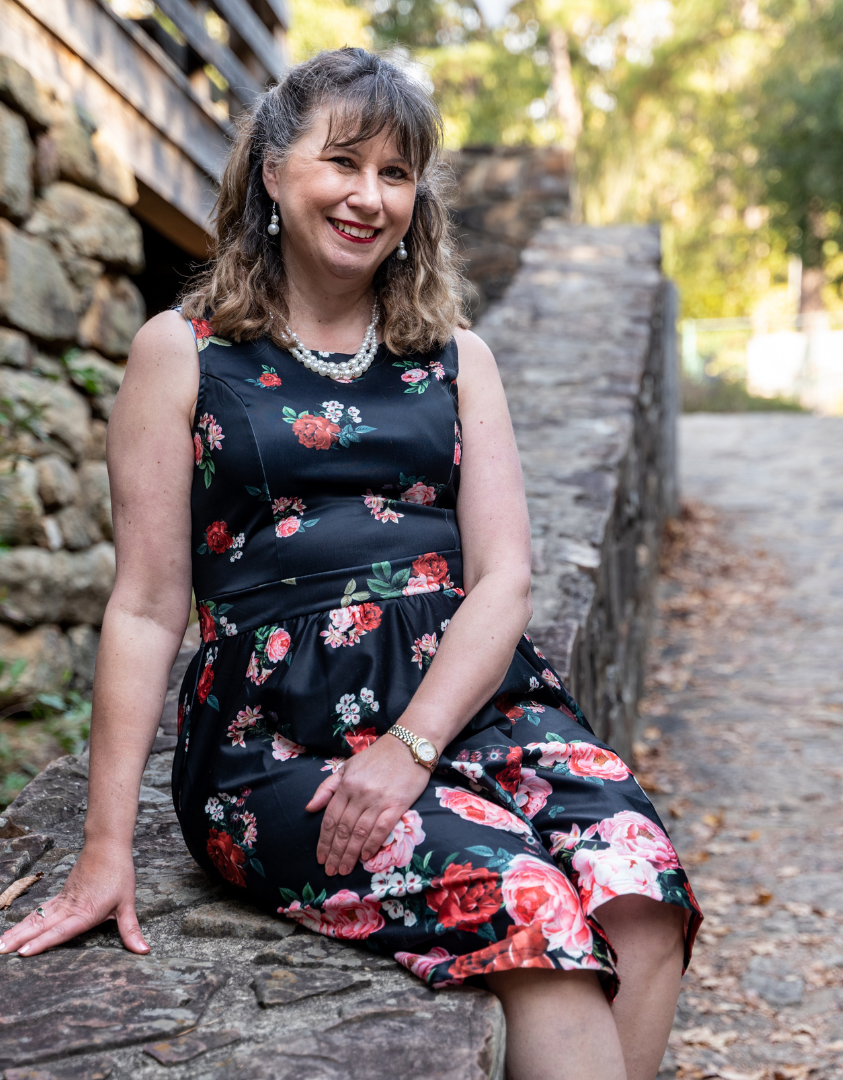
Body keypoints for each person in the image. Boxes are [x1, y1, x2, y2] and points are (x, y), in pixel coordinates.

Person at [0, 48, 700, 1080]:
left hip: (466, 701)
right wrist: (105, 850)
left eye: (396, 173)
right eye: (344, 162)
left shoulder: (456, 357)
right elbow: (145, 607)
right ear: (273, 171)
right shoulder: (183, 352)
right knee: (530, 904)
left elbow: (505, 576)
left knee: (639, 885)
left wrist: (411, 747)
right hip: (276, 735)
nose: (370, 197)